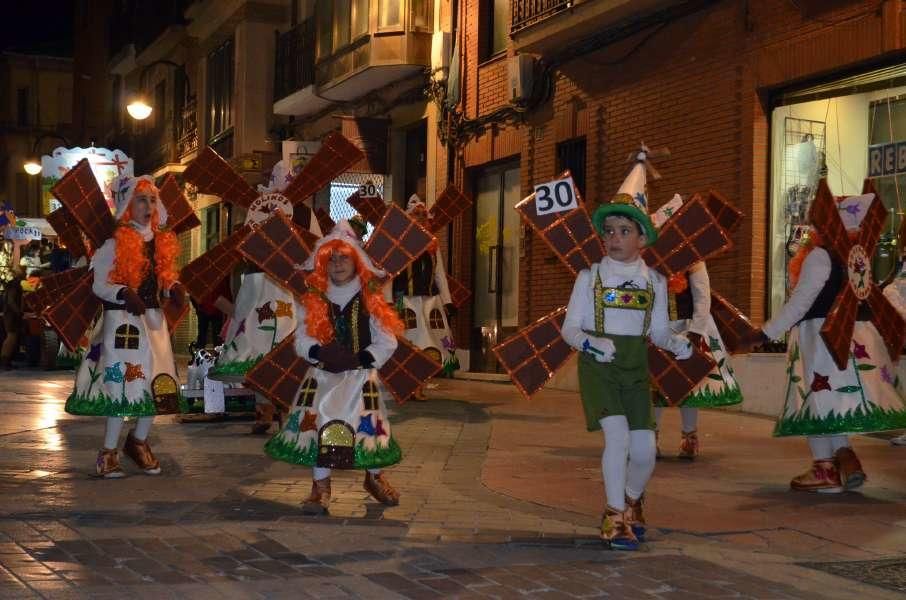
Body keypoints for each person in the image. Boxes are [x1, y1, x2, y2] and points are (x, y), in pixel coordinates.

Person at [561, 150, 692, 550]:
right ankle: (614, 515)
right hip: (598, 368)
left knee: (645, 449)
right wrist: (589, 341)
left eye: (623, 230)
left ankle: (633, 500)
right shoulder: (590, 277)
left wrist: (676, 343)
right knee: (616, 439)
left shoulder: (654, 281)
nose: (614, 237)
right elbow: (569, 328)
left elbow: (657, 331)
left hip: (635, 369)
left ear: (641, 237)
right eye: (610, 230)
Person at [753, 192, 906, 491]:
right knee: (833, 401)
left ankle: (825, 469)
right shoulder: (855, 255)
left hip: (822, 339)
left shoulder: (820, 256)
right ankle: (844, 458)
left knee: (818, 400)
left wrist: (764, 333)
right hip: (853, 338)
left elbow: (801, 303)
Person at [264, 220, 404, 514]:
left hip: (360, 378)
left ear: (357, 262)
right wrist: (319, 352)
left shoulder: (370, 298)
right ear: (322, 264)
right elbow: (302, 339)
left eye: (344, 258)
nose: (338, 264)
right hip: (322, 377)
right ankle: (320, 486)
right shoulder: (313, 298)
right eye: (331, 259)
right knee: (321, 423)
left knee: (369, 429)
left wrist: (359, 359)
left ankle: (375, 477)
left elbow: (387, 340)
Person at [65, 174, 187, 478]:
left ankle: (139, 442)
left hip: (154, 322)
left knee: (158, 384)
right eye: (141, 199)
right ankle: (108, 452)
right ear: (128, 206)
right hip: (122, 325)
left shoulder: (162, 241)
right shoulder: (113, 244)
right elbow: (99, 284)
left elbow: (163, 277)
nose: (149, 205)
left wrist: (174, 289)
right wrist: (122, 293)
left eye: (153, 199)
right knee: (122, 384)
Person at [650, 195, 743, 459]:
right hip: (659, 330)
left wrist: (697, 331)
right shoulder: (652, 260)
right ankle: (651, 436)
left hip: (688, 328)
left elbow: (703, 298)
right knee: (656, 386)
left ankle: (689, 437)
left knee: (688, 388)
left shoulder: (695, 261)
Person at [391, 194, 457, 398]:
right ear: (408, 217)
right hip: (408, 301)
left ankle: (419, 385)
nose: (419, 217)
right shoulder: (399, 244)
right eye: (415, 214)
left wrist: (448, 301)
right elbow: (389, 274)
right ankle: (410, 385)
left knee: (432, 345)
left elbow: (439, 275)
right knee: (410, 345)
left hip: (430, 303)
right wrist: (387, 301)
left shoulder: (432, 245)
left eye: (422, 214)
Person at [0, 266, 25, 369]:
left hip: (9, 313)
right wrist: (18, 311)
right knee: (11, 337)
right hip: (12, 314)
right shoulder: (15, 284)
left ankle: (6, 360)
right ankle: (4, 361)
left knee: (11, 337)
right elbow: (11, 300)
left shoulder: (11, 284)